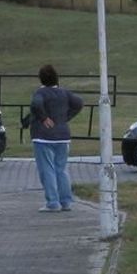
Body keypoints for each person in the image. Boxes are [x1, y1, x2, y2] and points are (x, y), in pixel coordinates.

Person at [29, 64, 84, 212]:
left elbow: (36, 104)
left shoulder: (40, 93)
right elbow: (79, 102)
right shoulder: (64, 92)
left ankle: (52, 202)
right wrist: (66, 117)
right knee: (61, 169)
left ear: (41, 79)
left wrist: (43, 118)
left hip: (43, 137)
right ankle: (66, 201)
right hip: (62, 135)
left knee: (47, 169)